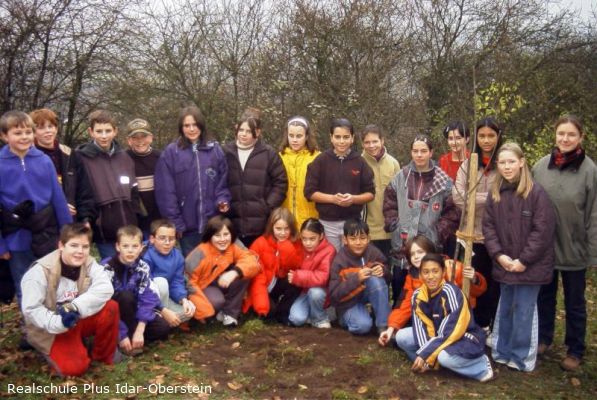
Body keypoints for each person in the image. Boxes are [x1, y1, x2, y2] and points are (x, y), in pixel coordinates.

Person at [483, 142, 556, 372]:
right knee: (505, 309)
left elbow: (542, 232)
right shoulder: (495, 194)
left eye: (511, 162)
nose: (507, 167)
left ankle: (522, 356)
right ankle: (502, 351)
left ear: (522, 162)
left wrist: (524, 261)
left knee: (524, 311)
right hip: (505, 264)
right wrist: (499, 256)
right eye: (502, 162)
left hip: (529, 267)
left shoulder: (536, 194)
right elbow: (489, 228)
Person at [533, 115, 596, 371]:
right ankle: (544, 338)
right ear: (555, 135)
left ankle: (575, 348)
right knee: (544, 296)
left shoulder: (589, 171)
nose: (565, 139)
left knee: (575, 302)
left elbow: (594, 214)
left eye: (571, 134)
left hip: (574, 247)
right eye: (561, 134)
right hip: (545, 248)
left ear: (580, 137)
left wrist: (592, 251)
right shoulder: (541, 167)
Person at [20, 223, 118, 376]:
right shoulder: (39, 272)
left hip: (76, 317)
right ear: (61, 245)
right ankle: (51, 350)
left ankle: (102, 355)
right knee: (74, 369)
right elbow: (31, 309)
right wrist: (60, 323)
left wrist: (74, 307)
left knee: (110, 307)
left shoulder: (89, 262)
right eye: (74, 245)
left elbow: (105, 288)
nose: (80, 251)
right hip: (51, 329)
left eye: (85, 247)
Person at [0, 111, 72, 304]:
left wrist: (67, 233)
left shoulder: (43, 160)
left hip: (47, 232)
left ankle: (54, 320)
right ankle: (31, 323)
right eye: (17, 133)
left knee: (52, 284)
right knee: (25, 286)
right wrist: (1, 245)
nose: (24, 137)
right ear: (4, 136)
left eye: (28, 132)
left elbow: (57, 198)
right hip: (16, 237)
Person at [383, 134, 460, 306]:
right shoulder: (401, 177)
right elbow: (389, 202)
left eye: (423, 151)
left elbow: (452, 212)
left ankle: (426, 318)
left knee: (428, 288)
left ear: (431, 152)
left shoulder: (444, 181)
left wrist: (438, 232)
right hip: (403, 244)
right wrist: (394, 223)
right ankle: (400, 319)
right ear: (411, 152)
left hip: (429, 244)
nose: (419, 155)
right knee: (400, 287)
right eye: (415, 151)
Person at [394, 253, 494, 382]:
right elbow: (421, 331)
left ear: (443, 272)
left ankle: (481, 366)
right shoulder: (418, 296)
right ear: (420, 275)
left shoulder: (451, 292)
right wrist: (427, 360)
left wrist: (426, 354)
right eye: (426, 272)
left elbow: (452, 331)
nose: (431, 276)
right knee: (401, 336)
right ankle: (435, 364)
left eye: (435, 271)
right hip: (439, 337)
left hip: (463, 336)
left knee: (444, 357)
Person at [378, 235, 486, 347]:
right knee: (401, 337)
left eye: (420, 252)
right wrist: (391, 328)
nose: (416, 257)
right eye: (412, 254)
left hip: (455, 324)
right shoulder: (412, 276)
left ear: (430, 251)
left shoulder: (451, 267)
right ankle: (429, 353)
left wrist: (474, 279)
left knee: (445, 351)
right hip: (431, 324)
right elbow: (404, 304)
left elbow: (478, 291)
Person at [155, 106, 230, 256]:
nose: (191, 129)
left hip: (212, 225)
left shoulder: (215, 150)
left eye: (195, 124)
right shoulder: (171, 152)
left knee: (215, 265)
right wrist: (176, 223)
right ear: (181, 128)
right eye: (187, 125)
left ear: (201, 125)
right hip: (187, 228)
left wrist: (222, 200)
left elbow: (223, 183)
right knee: (192, 266)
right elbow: (166, 193)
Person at [452, 117, 503, 333]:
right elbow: (458, 197)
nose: (486, 140)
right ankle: (474, 323)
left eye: (491, 135)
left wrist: (473, 197)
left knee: (494, 282)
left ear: (498, 137)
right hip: (471, 233)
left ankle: (491, 324)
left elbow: (507, 198)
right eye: (482, 136)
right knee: (473, 279)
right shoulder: (468, 164)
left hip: (497, 234)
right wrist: (491, 197)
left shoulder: (504, 164)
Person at [75, 110, 141, 259]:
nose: (104, 136)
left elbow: (134, 191)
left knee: (132, 267)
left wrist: (135, 216)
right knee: (111, 268)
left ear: (115, 131)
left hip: (129, 228)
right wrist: (86, 219)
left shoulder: (124, 157)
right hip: (104, 229)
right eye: (99, 131)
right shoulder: (82, 158)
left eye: (108, 131)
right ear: (91, 132)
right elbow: (80, 193)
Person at [304, 118, 375, 250]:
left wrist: (353, 199)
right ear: (331, 138)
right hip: (327, 223)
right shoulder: (320, 161)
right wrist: (332, 199)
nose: (341, 141)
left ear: (352, 138)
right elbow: (309, 192)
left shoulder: (360, 162)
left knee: (351, 258)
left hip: (353, 223)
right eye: (337, 137)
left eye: (346, 137)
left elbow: (370, 194)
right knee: (330, 258)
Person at [224, 108, 288, 247]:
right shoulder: (226, 152)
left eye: (248, 131)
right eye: (241, 130)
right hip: (232, 222)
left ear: (257, 132)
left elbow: (281, 183)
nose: (244, 134)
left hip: (260, 225)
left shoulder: (268, 153)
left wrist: (267, 206)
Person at [104, 225, 170, 355]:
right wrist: (122, 334)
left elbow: (148, 298)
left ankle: (135, 336)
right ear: (118, 247)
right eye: (125, 246)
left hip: (135, 312)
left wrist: (140, 329)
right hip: (114, 316)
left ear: (141, 247)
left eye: (135, 246)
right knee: (126, 296)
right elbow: (104, 303)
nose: (130, 251)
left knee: (163, 327)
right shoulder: (107, 268)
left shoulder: (143, 267)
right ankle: (123, 339)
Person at [185, 215, 260, 326]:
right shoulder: (199, 254)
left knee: (244, 274)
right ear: (210, 236)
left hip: (220, 280)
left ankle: (229, 314)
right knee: (217, 301)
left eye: (226, 234)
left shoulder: (234, 244)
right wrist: (203, 310)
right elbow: (188, 283)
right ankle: (211, 313)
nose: (223, 239)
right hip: (202, 286)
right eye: (217, 235)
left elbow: (252, 261)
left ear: (231, 234)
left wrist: (235, 272)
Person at [30, 108, 95, 224]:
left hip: (72, 223)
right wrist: (58, 206)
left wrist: (86, 218)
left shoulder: (70, 154)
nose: (48, 131)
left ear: (56, 128)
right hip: (43, 223)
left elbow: (84, 191)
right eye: (41, 128)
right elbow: (30, 194)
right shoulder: (28, 158)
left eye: (51, 126)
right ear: (33, 132)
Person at [328, 219, 391, 335]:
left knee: (377, 281)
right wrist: (356, 278)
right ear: (345, 240)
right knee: (363, 326)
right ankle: (344, 319)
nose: (358, 242)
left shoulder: (373, 252)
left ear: (368, 238)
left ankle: (383, 326)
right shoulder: (339, 261)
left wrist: (383, 270)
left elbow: (387, 274)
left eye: (362, 238)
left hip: (366, 295)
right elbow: (334, 295)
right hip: (348, 303)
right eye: (353, 239)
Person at [243, 208, 303, 323]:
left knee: (296, 280)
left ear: (291, 228)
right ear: (271, 227)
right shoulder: (260, 243)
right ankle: (264, 307)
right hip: (261, 286)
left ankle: (283, 312)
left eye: (286, 229)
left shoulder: (296, 243)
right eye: (278, 229)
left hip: (277, 283)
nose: (282, 233)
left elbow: (296, 266)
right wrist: (261, 303)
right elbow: (255, 276)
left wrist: (286, 248)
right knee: (269, 313)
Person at [142, 219, 195, 329]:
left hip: (166, 298)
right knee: (161, 282)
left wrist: (183, 299)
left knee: (189, 311)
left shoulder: (177, 256)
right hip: (148, 301)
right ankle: (158, 318)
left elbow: (177, 282)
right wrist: (163, 309)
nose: (167, 243)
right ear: (152, 239)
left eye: (171, 239)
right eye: (162, 238)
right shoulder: (144, 254)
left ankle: (163, 321)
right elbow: (144, 288)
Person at [360, 124, 400, 256]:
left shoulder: (393, 163)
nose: (371, 146)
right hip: (368, 230)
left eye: (375, 141)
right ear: (362, 144)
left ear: (382, 140)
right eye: (367, 142)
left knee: (390, 265)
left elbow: (400, 195)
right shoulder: (359, 163)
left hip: (390, 229)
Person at [288, 218, 336, 328]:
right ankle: (312, 314)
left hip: (323, 292)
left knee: (316, 293)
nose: (307, 243)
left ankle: (320, 319)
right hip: (305, 291)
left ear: (321, 236)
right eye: (304, 239)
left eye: (312, 239)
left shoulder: (329, 250)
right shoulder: (299, 246)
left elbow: (323, 277)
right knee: (296, 319)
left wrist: (297, 276)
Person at [279, 116, 320, 229]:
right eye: (291, 135)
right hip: (285, 220)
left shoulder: (317, 158)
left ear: (306, 136)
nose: (294, 140)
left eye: (299, 136)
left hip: (310, 219)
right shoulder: (279, 157)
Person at [126, 118, 162, 238]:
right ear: (129, 140)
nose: (140, 141)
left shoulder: (161, 158)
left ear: (151, 137)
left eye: (144, 136)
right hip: (135, 222)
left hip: (159, 220)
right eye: (135, 137)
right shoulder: (123, 159)